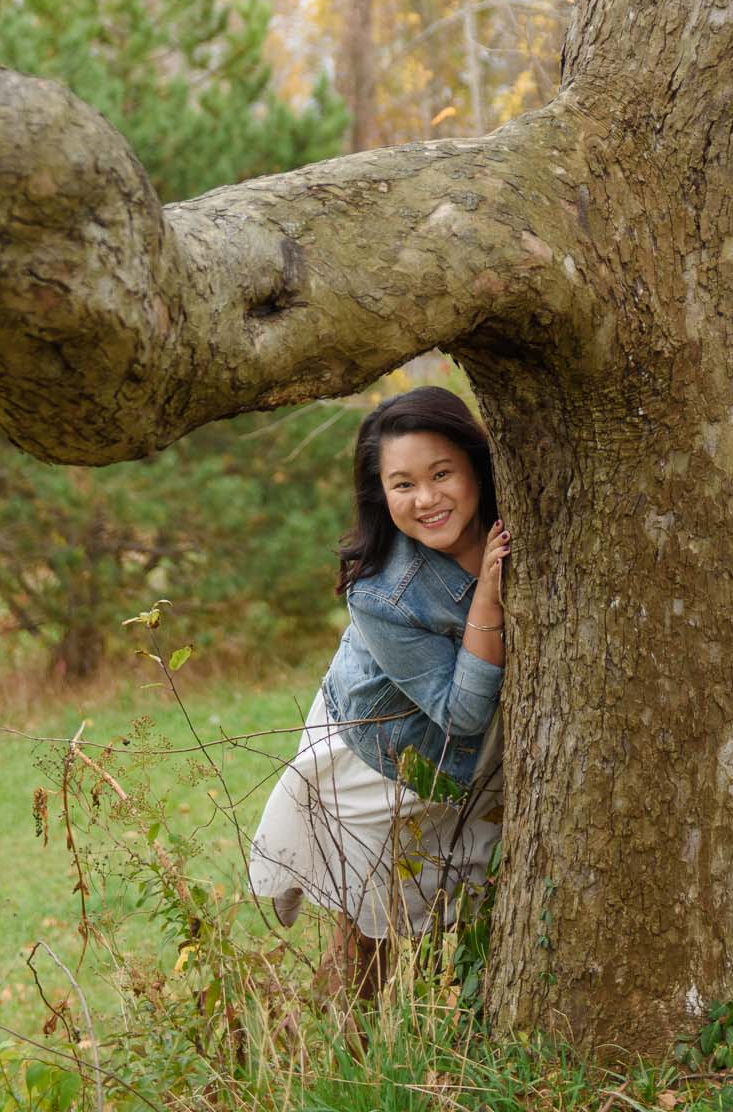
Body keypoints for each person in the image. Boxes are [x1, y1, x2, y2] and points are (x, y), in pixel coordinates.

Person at [248, 385, 509, 1009]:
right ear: (380, 493)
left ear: (475, 463)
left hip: (456, 757)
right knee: (373, 931)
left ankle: (424, 1029)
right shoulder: (382, 595)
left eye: (442, 473)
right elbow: (462, 714)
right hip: (381, 758)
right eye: (403, 484)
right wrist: (487, 601)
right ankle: (343, 1056)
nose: (427, 499)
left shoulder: (519, 520)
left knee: (450, 907)